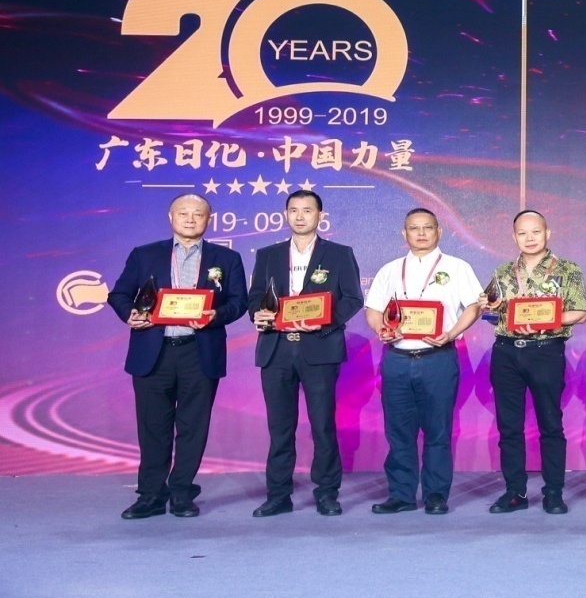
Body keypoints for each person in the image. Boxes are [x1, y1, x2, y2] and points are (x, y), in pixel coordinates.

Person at [107, 194, 248, 519]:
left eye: (198, 214)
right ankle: (151, 496)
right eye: (183, 213)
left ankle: (182, 493)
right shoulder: (144, 254)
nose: (190, 219)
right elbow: (119, 294)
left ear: (208, 220)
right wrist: (129, 314)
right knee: (153, 428)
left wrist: (216, 315)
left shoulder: (227, 258)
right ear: (171, 217)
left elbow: (239, 302)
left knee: (193, 427)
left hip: (199, 352)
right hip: (153, 352)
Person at [247, 190, 363, 517]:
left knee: (322, 426)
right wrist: (257, 314)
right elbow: (255, 297)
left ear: (319, 216)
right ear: (285, 214)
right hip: (276, 349)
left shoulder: (339, 254)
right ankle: (278, 495)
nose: (300, 216)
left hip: (319, 348)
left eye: (307, 210)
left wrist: (325, 322)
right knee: (279, 428)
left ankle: (326, 493)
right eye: (294, 210)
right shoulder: (268, 255)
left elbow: (353, 299)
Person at [363, 208, 483, 515]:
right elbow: (373, 309)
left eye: (427, 227)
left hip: (438, 358)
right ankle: (401, 494)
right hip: (397, 359)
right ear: (404, 234)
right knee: (398, 431)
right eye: (414, 228)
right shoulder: (390, 269)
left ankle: (435, 494)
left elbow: (473, 306)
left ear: (438, 231)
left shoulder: (457, 267)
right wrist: (381, 329)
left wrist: (451, 333)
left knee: (438, 430)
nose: (420, 233)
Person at [482, 210, 586, 515]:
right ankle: (515, 492)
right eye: (522, 233)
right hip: (505, 353)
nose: (529, 238)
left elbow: (580, 312)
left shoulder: (568, 269)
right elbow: (491, 313)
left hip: (545, 352)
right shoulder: (503, 271)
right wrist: (489, 307)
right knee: (509, 427)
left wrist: (545, 321)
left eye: (536, 232)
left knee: (550, 425)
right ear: (514, 236)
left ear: (547, 233)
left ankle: (553, 492)